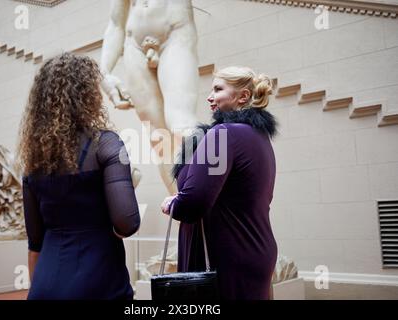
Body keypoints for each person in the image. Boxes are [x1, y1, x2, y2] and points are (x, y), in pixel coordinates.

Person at [17, 52, 140, 300]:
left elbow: (35, 242)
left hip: (45, 284)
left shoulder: (33, 159)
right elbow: (127, 222)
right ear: (87, 94)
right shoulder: (107, 144)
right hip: (99, 282)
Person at [161, 66, 278, 300]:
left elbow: (193, 203)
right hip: (254, 250)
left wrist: (172, 204)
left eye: (217, 89)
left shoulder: (222, 134)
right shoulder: (258, 136)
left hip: (226, 256)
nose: (209, 96)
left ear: (243, 96)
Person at [100, 0, 199, 194]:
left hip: (175, 30)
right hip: (133, 43)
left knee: (182, 124)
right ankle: (182, 211)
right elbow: (116, 23)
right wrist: (103, 73)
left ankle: (207, 203)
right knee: (158, 138)